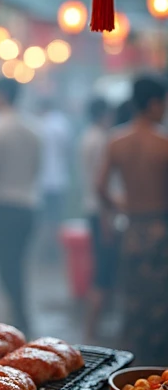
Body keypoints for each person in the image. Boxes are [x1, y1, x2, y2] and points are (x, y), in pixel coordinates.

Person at [97, 74, 168, 363]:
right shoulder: (163, 142)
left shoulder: (117, 141)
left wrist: (122, 206)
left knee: (133, 302)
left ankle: (133, 365)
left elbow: (100, 187)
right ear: (153, 103)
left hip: (132, 228)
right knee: (161, 303)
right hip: (160, 230)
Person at [0, 77, 42, 338]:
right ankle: (19, 316)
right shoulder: (33, 129)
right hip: (28, 206)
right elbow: (38, 168)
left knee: (7, 266)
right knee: (18, 264)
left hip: (4, 206)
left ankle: (18, 319)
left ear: (1, 95)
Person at [80, 96, 116, 340]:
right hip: (101, 212)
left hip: (93, 210)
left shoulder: (87, 137)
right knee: (103, 272)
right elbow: (100, 184)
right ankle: (92, 328)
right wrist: (107, 219)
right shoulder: (102, 140)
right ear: (104, 114)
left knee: (100, 268)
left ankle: (93, 326)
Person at [37, 96, 72, 260]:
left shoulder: (37, 125)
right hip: (58, 179)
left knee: (44, 219)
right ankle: (55, 252)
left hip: (41, 181)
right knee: (56, 218)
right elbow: (67, 151)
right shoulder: (61, 124)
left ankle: (47, 253)